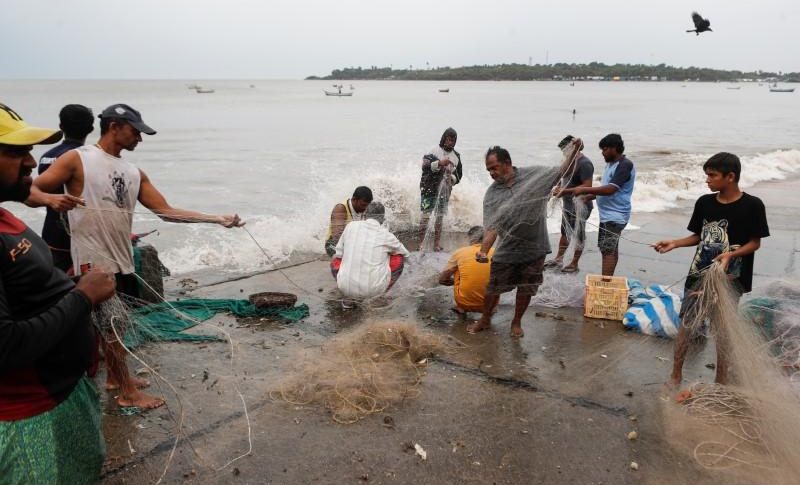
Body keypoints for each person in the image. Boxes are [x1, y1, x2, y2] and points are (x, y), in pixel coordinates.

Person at [28, 103, 243, 409]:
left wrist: (215, 218)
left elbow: (166, 212)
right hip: (92, 259)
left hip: (121, 259)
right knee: (113, 324)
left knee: (115, 325)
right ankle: (127, 392)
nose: (140, 139)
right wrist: (51, 199)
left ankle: (116, 378)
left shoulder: (133, 172)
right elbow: (31, 189)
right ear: (114, 127)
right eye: (135, 132)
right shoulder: (77, 159)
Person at [0, 102, 116, 483]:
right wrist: (82, 296)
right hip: (24, 416)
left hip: (61, 394)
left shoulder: (6, 213)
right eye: (16, 152)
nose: (32, 162)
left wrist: (62, 282)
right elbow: (7, 346)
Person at [653, 153, 769, 387]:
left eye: (712, 175)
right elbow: (698, 236)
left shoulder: (753, 205)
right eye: (707, 175)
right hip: (698, 275)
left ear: (730, 177)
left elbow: (755, 243)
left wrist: (731, 255)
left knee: (723, 330)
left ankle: (720, 380)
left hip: (730, 279)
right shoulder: (704, 203)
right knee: (687, 324)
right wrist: (674, 243)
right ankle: (676, 375)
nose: (707, 180)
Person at [467, 143, 579, 338]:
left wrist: (574, 151)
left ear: (507, 163)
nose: (491, 173)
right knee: (494, 287)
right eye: (488, 170)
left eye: (494, 167)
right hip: (507, 249)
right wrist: (484, 251)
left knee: (526, 287)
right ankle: (485, 319)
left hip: (535, 247)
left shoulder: (534, 175)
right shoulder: (492, 194)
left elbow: (562, 171)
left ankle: (516, 322)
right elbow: (492, 228)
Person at [37, 104, 95, 272]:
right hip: (80, 234)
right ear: (91, 129)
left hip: (52, 232)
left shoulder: (46, 157)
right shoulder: (86, 158)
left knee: (54, 281)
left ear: (61, 126)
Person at [571, 134, 636, 276]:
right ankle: (608, 281)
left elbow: (611, 189)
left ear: (614, 148)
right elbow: (605, 189)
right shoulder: (610, 165)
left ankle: (605, 284)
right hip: (608, 216)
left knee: (608, 251)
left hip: (615, 216)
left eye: (605, 149)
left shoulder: (625, 165)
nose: (602, 152)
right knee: (610, 250)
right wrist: (589, 196)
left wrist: (583, 189)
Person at [331, 202, 410, 303]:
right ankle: (379, 297)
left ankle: (348, 293)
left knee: (336, 259)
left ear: (364, 215)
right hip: (373, 291)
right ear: (382, 220)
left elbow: (338, 253)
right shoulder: (386, 234)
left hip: (344, 288)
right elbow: (406, 254)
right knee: (398, 257)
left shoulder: (350, 226)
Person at [547, 135, 594, 273]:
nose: (563, 153)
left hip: (581, 206)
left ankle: (574, 263)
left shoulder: (585, 163)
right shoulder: (568, 161)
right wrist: (555, 188)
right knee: (565, 233)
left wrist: (564, 191)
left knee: (579, 234)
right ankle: (558, 259)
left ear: (572, 148)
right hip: (568, 206)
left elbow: (587, 187)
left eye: (565, 149)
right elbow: (562, 177)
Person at [419, 127, 463, 251]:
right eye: (449, 140)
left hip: (444, 191)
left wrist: (452, 178)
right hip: (428, 188)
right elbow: (425, 166)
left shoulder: (456, 156)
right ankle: (421, 244)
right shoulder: (433, 151)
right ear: (444, 139)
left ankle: (436, 244)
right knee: (425, 217)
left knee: (439, 218)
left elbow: (459, 175)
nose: (451, 143)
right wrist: (440, 163)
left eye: (453, 141)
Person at [438, 225, 496, 316]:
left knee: (457, 270)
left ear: (470, 237)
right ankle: (490, 309)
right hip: (490, 305)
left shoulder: (460, 252)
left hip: (465, 303)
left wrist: (462, 281)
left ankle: (461, 308)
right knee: (496, 273)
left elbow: (442, 279)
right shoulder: (496, 252)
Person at [324, 186, 372, 257]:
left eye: (367, 206)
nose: (365, 209)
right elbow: (337, 236)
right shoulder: (340, 208)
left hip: (351, 244)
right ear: (354, 199)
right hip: (333, 245)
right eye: (363, 205)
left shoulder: (363, 210)